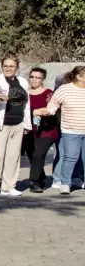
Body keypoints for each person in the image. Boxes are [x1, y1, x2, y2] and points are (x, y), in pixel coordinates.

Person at [0, 56, 31, 197]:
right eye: (6, 65)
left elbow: (27, 104)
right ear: (2, 66)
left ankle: (8, 187)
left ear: (17, 67)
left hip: (18, 123)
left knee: (13, 156)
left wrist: (27, 123)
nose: (8, 68)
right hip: (0, 124)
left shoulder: (22, 82)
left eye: (12, 66)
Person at [36, 65, 85, 196]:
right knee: (70, 157)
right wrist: (46, 111)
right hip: (71, 131)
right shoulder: (64, 90)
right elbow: (53, 106)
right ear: (79, 77)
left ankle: (79, 180)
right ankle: (65, 183)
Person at [22, 67, 57, 193]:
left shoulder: (49, 93)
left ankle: (34, 182)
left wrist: (44, 111)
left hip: (46, 130)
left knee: (38, 154)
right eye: (32, 77)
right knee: (33, 156)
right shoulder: (24, 93)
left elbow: (53, 109)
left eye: (38, 77)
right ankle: (41, 177)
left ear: (43, 79)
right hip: (29, 130)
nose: (34, 80)